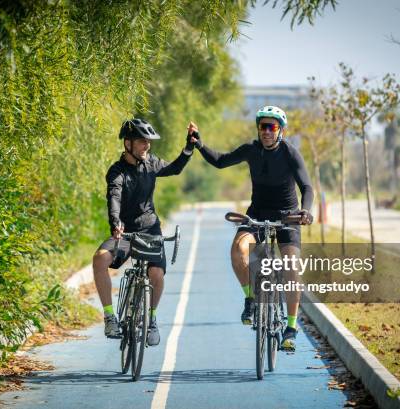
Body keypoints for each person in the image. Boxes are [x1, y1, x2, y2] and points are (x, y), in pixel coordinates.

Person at [187, 106, 314, 351]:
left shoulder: (290, 153)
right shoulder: (251, 150)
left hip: (288, 217)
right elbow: (221, 161)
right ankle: (251, 298)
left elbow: (307, 187)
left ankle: (290, 326)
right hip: (257, 213)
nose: (266, 131)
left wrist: (305, 211)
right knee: (238, 250)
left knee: (291, 265)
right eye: (262, 126)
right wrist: (199, 145)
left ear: (280, 131)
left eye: (272, 127)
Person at [93, 118, 195, 346]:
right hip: (124, 232)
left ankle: (152, 320)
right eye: (141, 141)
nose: (146, 146)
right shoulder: (117, 171)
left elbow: (174, 168)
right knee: (100, 259)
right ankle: (110, 317)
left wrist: (189, 147)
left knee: (156, 274)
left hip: (150, 229)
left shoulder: (151, 163)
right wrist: (116, 222)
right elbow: (114, 197)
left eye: (148, 141)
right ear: (127, 143)